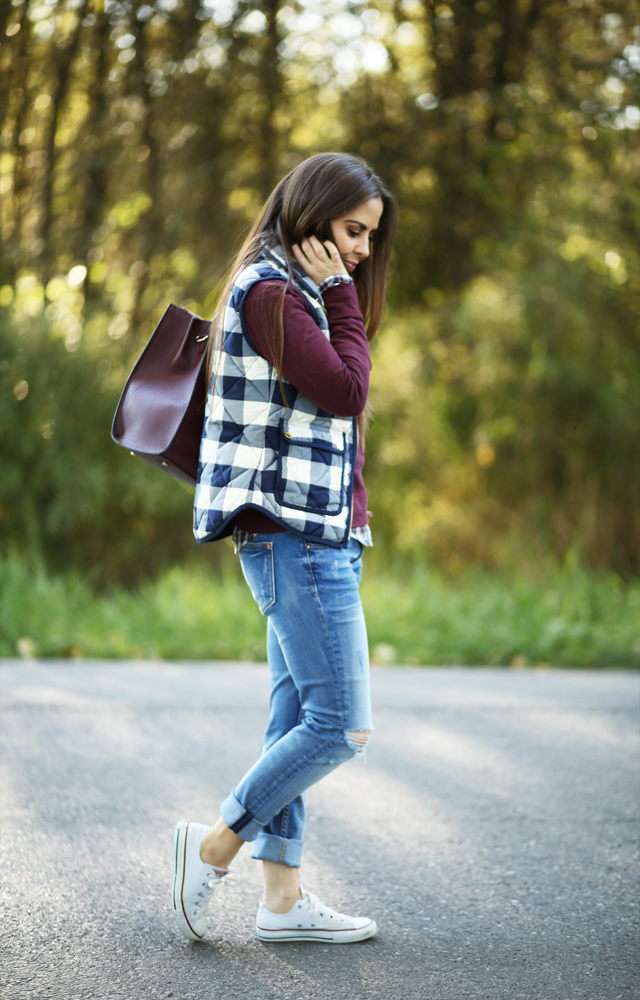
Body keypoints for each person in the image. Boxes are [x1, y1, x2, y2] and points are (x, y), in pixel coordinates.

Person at [173, 152, 398, 945]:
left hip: (319, 533)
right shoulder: (273, 293)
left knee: (294, 717)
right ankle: (214, 845)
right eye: (350, 230)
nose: (362, 251)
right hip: (294, 537)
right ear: (310, 215)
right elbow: (346, 390)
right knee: (340, 724)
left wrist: (336, 291)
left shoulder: (292, 291)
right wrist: (340, 293)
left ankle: (281, 903)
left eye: (370, 237)